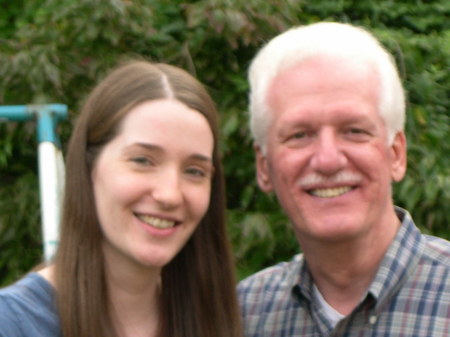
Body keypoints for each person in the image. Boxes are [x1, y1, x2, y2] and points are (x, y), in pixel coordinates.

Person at [0, 60, 243, 337]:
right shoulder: (13, 325)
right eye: (143, 160)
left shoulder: (216, 320)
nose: (170, 194)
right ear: (89, 168)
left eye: (194, 171)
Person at [238, 22, 450, 336]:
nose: (327, 159)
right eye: (299, 134)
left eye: (354, 131)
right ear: (264, 166)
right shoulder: (243, 314)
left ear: (396, 154)